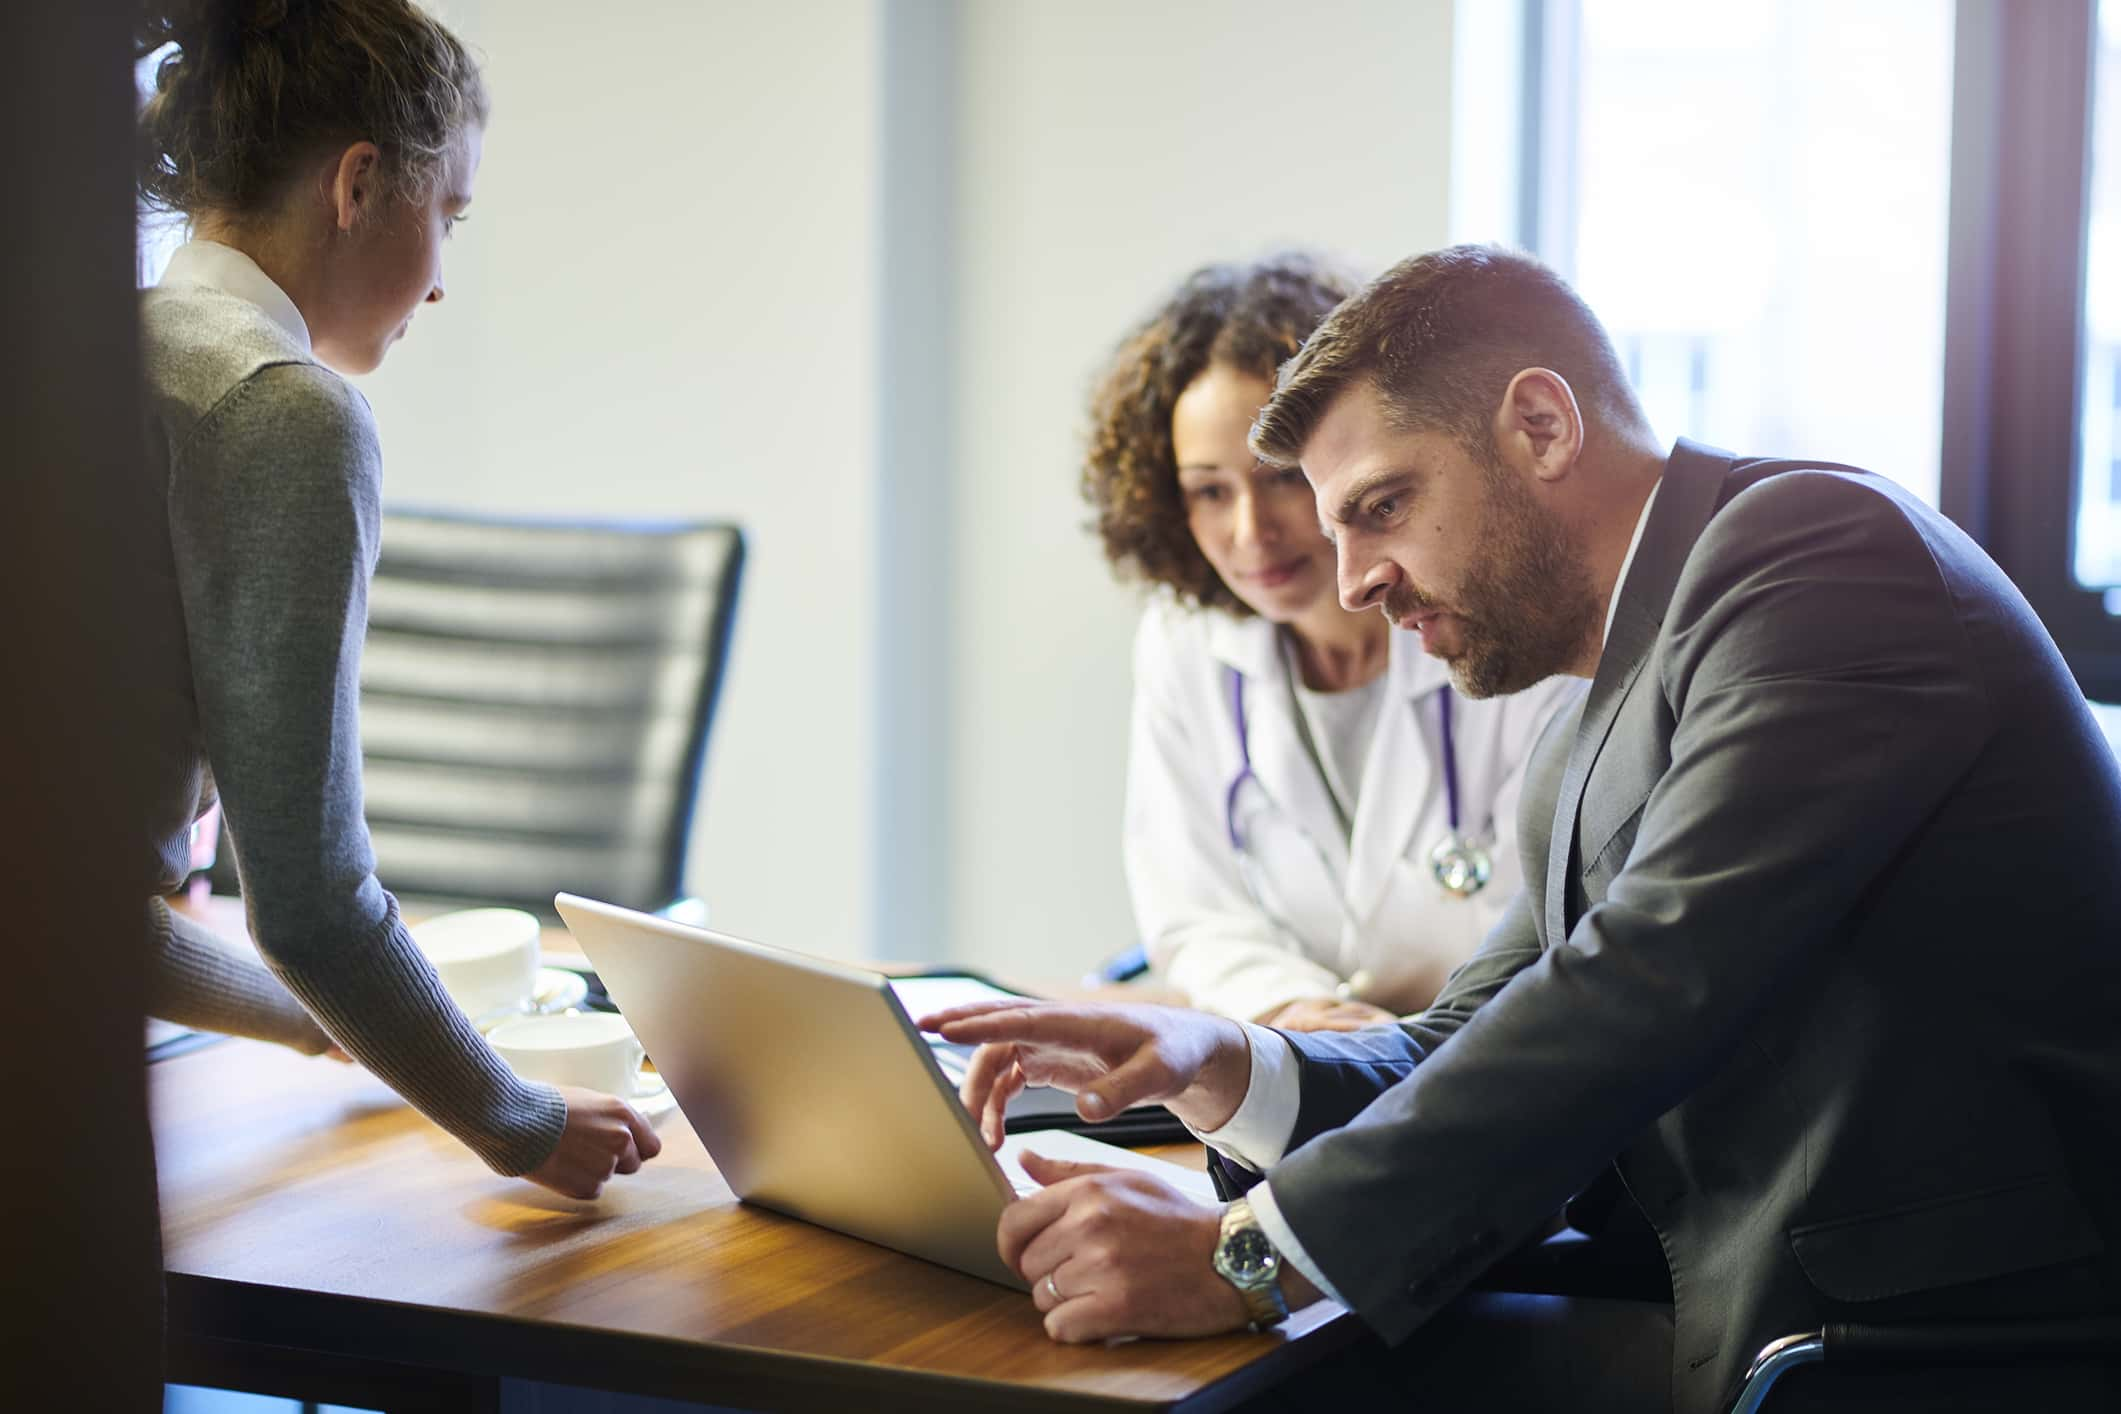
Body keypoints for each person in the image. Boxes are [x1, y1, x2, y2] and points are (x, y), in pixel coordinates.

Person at [926, 246, 2121, 1412]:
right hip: (1729, 1295)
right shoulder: (1606, 692)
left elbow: (1643, 986)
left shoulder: (1820, 559)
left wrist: (1245, 1256)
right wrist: (1220, 1060)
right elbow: (1466, 1033)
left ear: (1541, 427)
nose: (1353, 583)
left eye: (1381, 506)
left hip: (1929, 1340)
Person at [134, 0, 657, 1199]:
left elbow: (68, 912)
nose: (435, 285)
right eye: (449, 215)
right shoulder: (278, 408)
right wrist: (518, 1118)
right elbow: (311, 903)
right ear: (359, 184)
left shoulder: (98, 353)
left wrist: (348, 1029)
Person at [1084, 256, 1574, 1028]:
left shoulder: (1504, 629)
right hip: (1288, 1062)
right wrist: (1292, 1010)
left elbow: (1547, 925)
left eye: (1279, 477)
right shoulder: (1188, 642)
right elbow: (1193, 912)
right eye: (1209, 491)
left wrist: (1382, 1047)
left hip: (1482, 1072)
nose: (1251, 533)